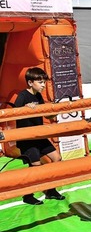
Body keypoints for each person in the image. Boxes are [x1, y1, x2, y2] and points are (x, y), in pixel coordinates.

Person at [14, 67, 65, 205]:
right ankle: (28, 195)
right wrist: (25, 108)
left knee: (57, 158)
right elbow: (14, 112)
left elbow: (44, 113)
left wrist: (55, 111)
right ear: (30, 83)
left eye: (44, 82)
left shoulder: (38, 96)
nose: (43, 85)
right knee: (35, 166)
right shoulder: (23, 95)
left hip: (39, 136)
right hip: (27, 138)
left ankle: (50, 190)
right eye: (40, 82)